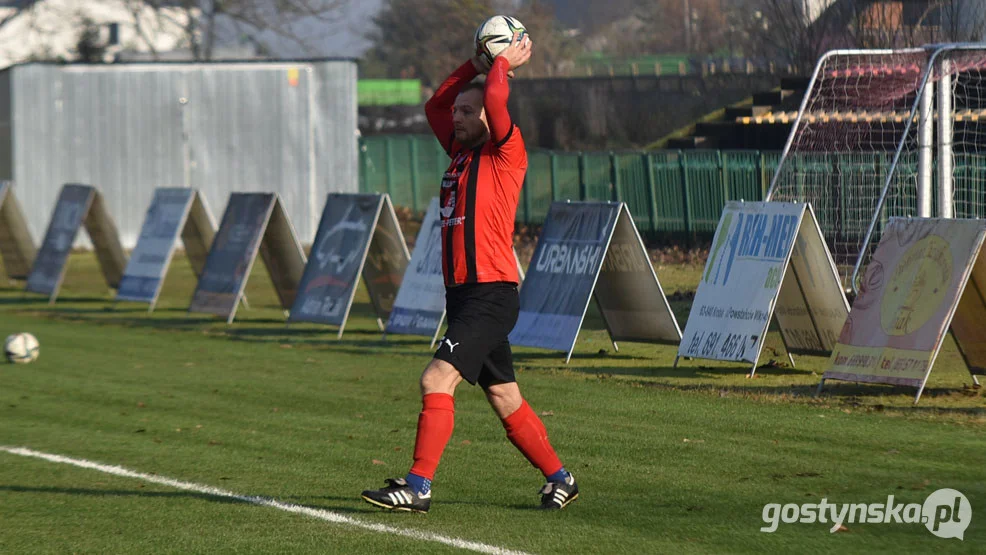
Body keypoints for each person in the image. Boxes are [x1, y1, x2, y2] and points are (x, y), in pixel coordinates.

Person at [361, 32, 578, 513]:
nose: (456, 116)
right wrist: (474, 62)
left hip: (491, 292)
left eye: (467, 111)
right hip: (464, 296)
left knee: (436, 380)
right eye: (458, 111)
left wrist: (499, 65)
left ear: (487, 117)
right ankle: (560, 478)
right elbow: (434, 105)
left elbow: (497, 96)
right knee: (504, 396)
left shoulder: (505, 150)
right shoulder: (460, 152)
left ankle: (418, 486)